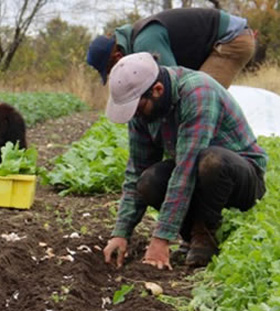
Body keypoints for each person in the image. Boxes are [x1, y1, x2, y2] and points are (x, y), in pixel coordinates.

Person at [101, 52, 267, 270]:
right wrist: (121, 233)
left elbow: (186, 170)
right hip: (198, 174)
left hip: (242, 177)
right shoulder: (143, 113)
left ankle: (204, 233)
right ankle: (191, 234)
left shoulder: (198, 93)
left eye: (138, 108)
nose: (136, 116)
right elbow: (136, 172)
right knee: (148, 181)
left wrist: (161, 238)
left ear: (157, 90)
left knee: (211, 161)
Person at [87, 7, 255, 89]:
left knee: (201, 98)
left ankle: (226, 154)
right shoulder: (136, 40)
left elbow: (173, 83)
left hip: (231, 40)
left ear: (117, 57)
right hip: (218, 41)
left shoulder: (145, 42)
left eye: (112, 70)